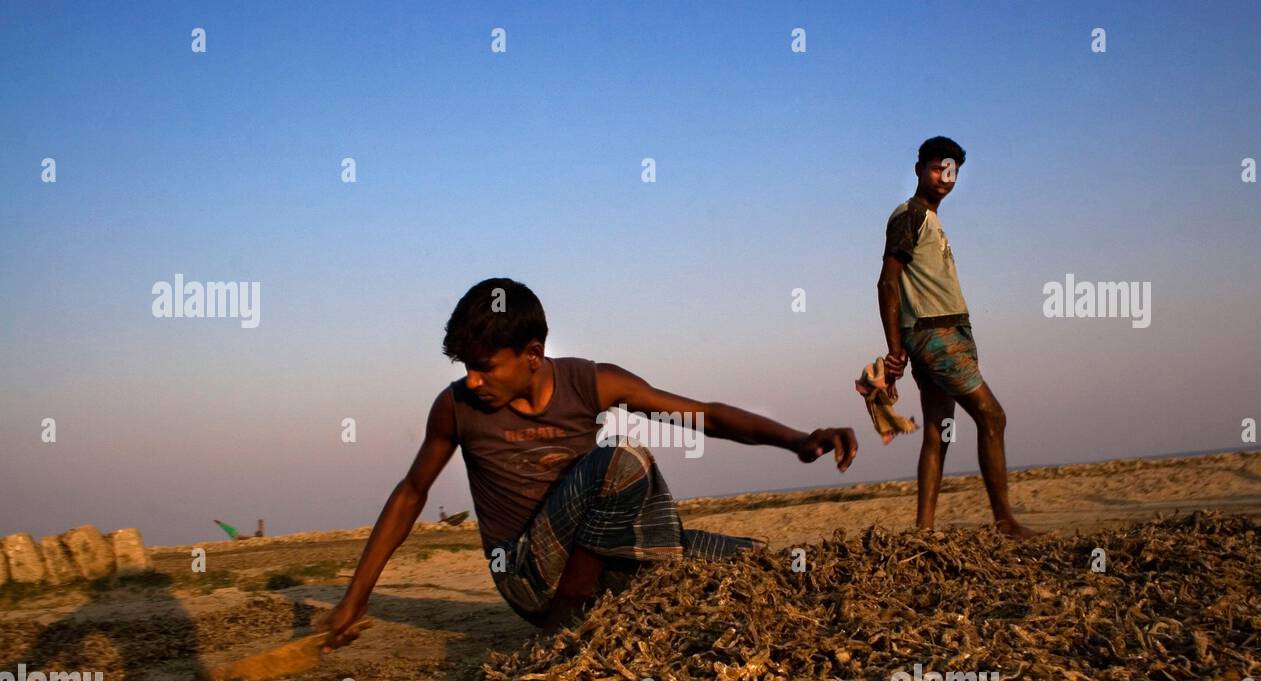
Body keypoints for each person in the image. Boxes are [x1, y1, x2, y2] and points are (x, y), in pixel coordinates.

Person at [319, 278, 858, 646]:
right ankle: (564, 626)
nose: (473, 381)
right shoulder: (455, 407)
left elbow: (704, 416)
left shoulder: (589, 381)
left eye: (484, 367)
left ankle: (601, 601)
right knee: (622, 459)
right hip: (531, 575)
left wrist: (798, 440)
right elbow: (412, 492)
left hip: (599, 555)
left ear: (532, 355)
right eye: (466, 368)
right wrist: (355, 599)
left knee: (755, 564)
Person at [877, 136, 1035, 538]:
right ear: (918, 170)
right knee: (992, 415)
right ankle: (1005, 522)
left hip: (943, 332)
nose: (945, 177)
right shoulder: (909, 215)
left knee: (937, 430)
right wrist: (896, 350)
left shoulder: (931, 218)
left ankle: (923, 529)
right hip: (936, 335)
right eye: (937, 168)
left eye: (952, 171)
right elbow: (887, 283)